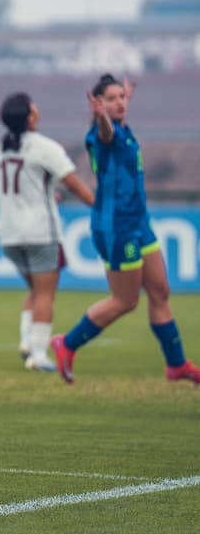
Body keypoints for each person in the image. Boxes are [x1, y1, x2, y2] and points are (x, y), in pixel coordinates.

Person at [51, 74, 200, 385]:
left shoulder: (123, 128)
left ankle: (176, 365)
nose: (120, 102)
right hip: (115, 228)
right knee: (126, 301)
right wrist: (103, 117)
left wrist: (120, 97)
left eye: (123, 97)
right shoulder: (102, 134)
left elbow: (115, 115)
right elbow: (105, 133)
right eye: (112, 98)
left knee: (160, 291)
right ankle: (67, 343)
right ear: (98, 105)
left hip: (139, 222)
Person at [0, 93, 94, 372]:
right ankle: (38, 353)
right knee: (46, 293)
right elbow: (72, 182)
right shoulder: (44, 146)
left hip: (10, 233)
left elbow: (26, 185)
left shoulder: (1, 149)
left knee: (36, 291)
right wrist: (97, 206)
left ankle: (27, 342)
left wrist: (49, 195)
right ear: (30, 116)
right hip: (40, 231)